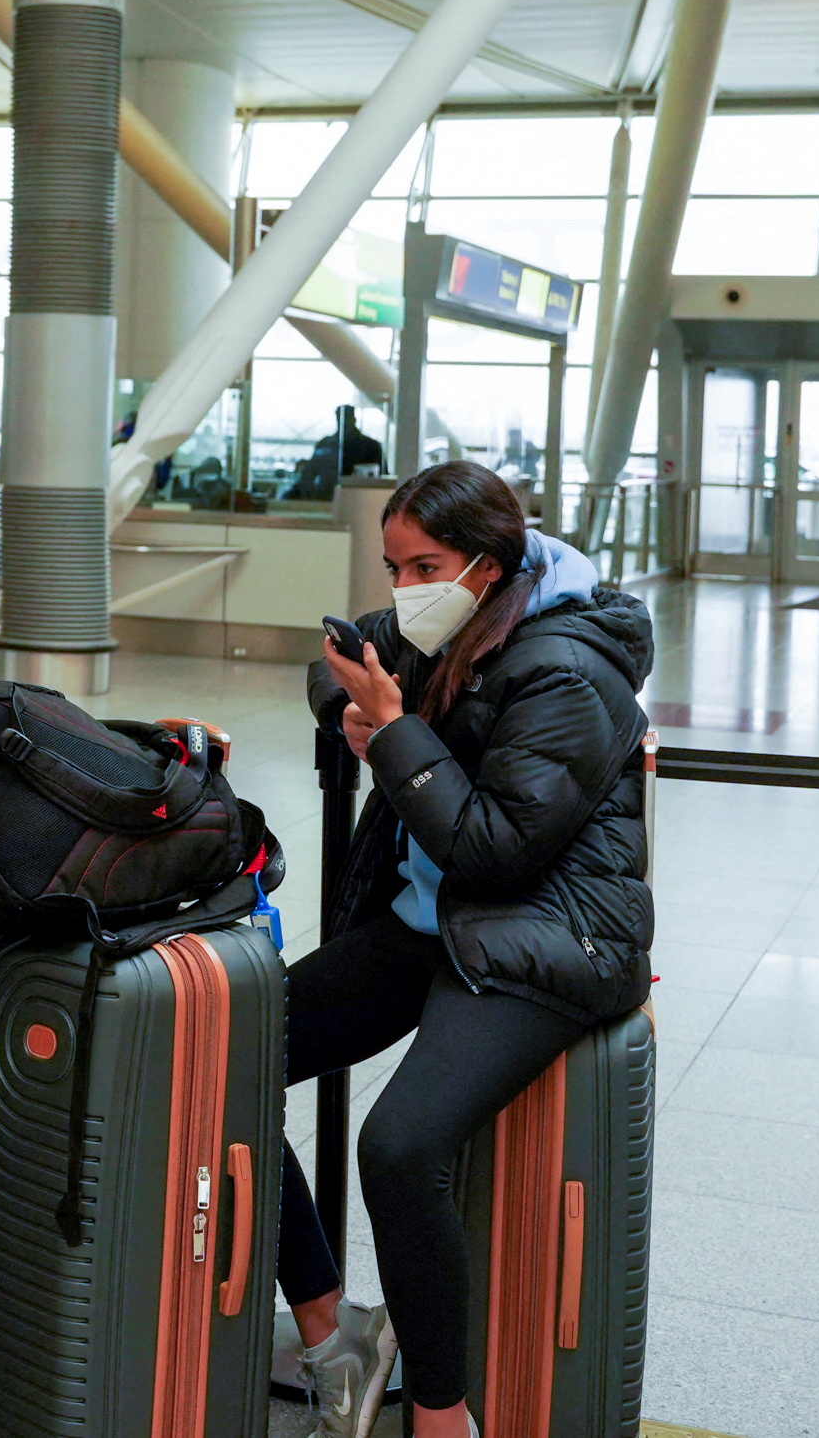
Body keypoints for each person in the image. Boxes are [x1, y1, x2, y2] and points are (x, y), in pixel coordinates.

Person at [282, 460, 654, 1438]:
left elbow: (495, 849)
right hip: (425, 927)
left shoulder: (570, 666)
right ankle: (333, 1338)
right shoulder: (452, 616)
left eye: (424, 566)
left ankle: (443, 1418)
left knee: (398, 1147)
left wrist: (397, 736)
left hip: (541, 935)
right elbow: (335, 655)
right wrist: (353, 712)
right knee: (229, 1059)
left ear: (487, 565)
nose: (404, 589)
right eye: (394, 566)